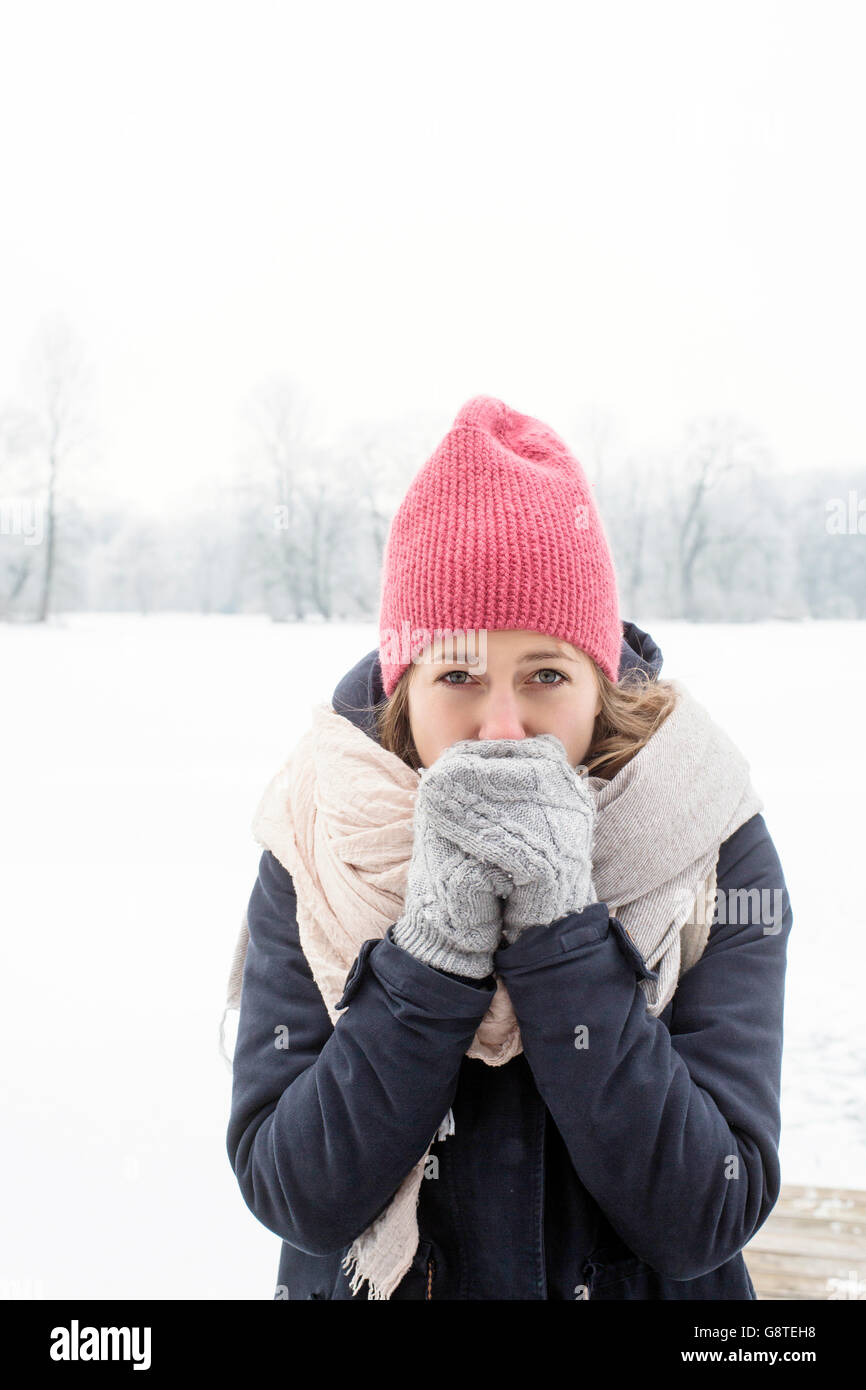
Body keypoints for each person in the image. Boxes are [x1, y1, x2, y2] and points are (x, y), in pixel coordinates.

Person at [223, 394, 793, 1300]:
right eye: (456, 675)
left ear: (600, 684)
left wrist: (563, 926)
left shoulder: (706, 835)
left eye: (546, 676)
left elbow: (705, 1214)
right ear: (400, 689)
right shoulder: (319, 832)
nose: (501, 727)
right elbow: (296, 1191)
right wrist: (433, 956)